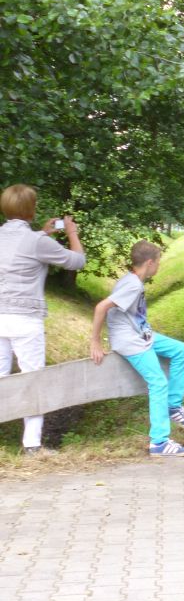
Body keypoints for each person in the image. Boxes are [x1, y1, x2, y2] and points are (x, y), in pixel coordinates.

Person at [0, 184, 86, 455]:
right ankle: (32, 446)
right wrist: (71, 233)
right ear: (31, 210)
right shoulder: (37, 242)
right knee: (33, 380)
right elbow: (77, 261)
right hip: (25, 320)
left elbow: (17, 248)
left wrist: (44, 233)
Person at [89, 241, 184, 457]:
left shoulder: (131, 279)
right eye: (158, 262)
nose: (159, 266)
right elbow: (101, 307)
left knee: (180, 350)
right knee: (158, 383)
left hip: (141, 334)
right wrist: (95, 342)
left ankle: (173, 406)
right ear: (149, 263)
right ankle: (159, 442)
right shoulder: (132, 285)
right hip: (130, 341)